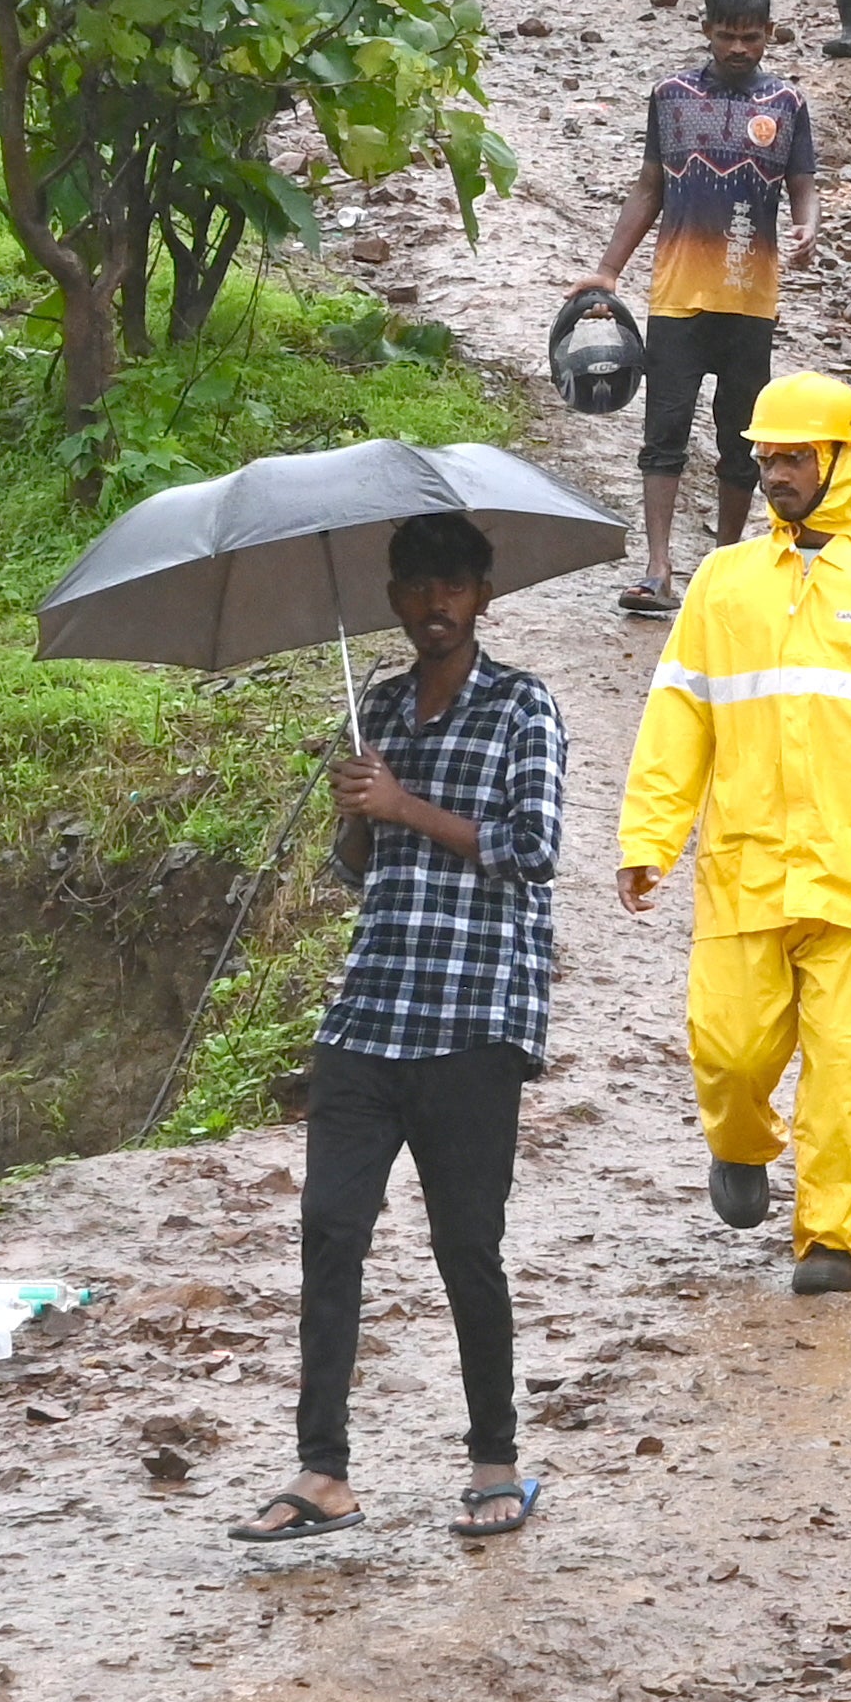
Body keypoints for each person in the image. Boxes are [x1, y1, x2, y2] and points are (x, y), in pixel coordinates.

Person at [620, 372, 851, 1293]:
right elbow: (680, 716)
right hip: (745, 866)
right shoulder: (721, 583)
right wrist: (650, 836)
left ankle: (834, 1236)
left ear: (841, 461)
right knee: (731, 1049)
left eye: (792, 456)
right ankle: (741, 1145)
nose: (775, 471)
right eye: (766, 456)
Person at [250, 515, 570, 1545]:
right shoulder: (378, 709)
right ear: (393, 597)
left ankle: (494, 1456)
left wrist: (405, 800)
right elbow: (354, 871)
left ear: (484, 592)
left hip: (476, 1013)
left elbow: (530, 849)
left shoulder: (525, 706)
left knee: (465, 1242)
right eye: (418, 588)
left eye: (455, 587)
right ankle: (323, 1469)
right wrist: (358, 808)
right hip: (373, 1007)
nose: (436, 606)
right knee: (331, 1229)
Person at [572, 0, 822, 618]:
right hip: (677, 296)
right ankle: (657, 569)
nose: (739, 48)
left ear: (770, 35)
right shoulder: (671, 97)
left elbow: (803, 185)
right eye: (727, 36)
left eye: (751, 37)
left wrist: (808, 226)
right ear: (706, 30)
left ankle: (725, 570)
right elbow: (649, 186)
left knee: (742, 441)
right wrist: (608, 270)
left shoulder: (788, 105)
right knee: (665, 430)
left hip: (750, 298)